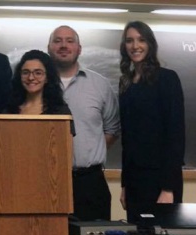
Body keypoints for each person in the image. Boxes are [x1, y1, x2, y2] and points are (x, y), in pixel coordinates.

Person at [47, 26, 120, 222]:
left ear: (79, 48)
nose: (64, 45)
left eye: (70, 41)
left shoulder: (100, 85)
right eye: (58, 41)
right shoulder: (36, 83)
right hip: (46, 182)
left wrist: (86, 152)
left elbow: (112, 129)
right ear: (49, 47)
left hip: (90, 184)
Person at [118, 21, 185, 224]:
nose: (135, 46)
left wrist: (168, 188)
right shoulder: (126, 82)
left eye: (141, 40)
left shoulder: (167, 79)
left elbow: (175, 135)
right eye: (129, 41)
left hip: (161, 180)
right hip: (135, 181)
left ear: (150, 44)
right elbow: (127, 139)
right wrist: (124, 185)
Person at [6, 50, 72, 117]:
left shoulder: (60, 112)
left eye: (38, 73)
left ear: (47, 78)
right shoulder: (9, 110)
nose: (30, 78)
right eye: (25, 73)